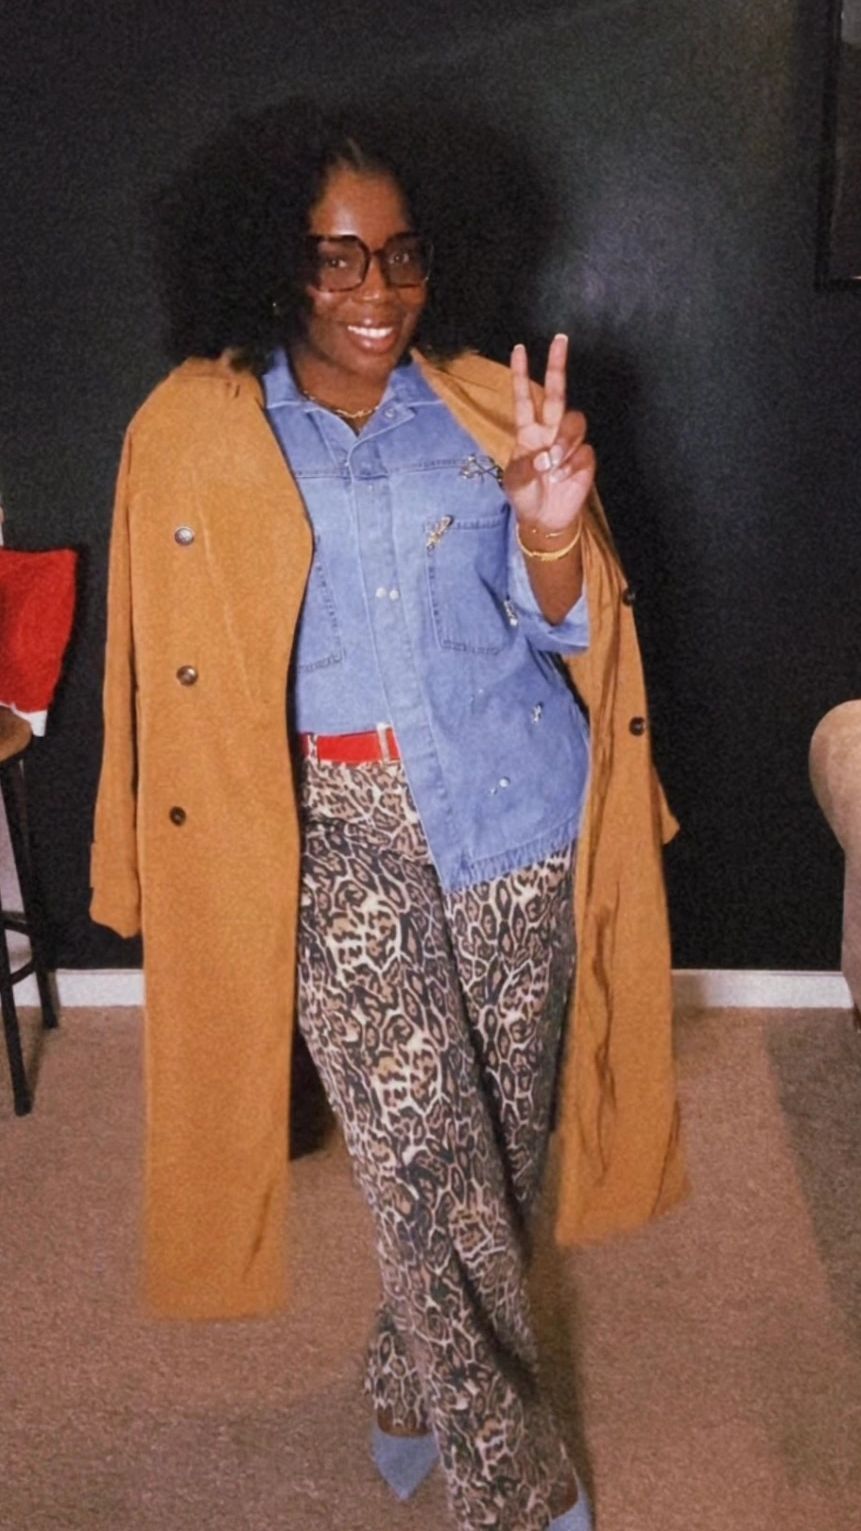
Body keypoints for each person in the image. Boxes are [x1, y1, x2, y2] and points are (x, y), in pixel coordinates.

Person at [91, 99, 686, 1531]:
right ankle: (516, 1483)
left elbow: (559, 631)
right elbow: (148, 667)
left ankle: (404, 1375)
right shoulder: (193, 429)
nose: (376, 288)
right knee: (431, 1167)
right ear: (271, 261)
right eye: (336, 256)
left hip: (518, 811)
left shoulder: (478, 407)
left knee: (506, 1157)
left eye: (402, 253)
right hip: (330, 834)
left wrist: (550, 523)